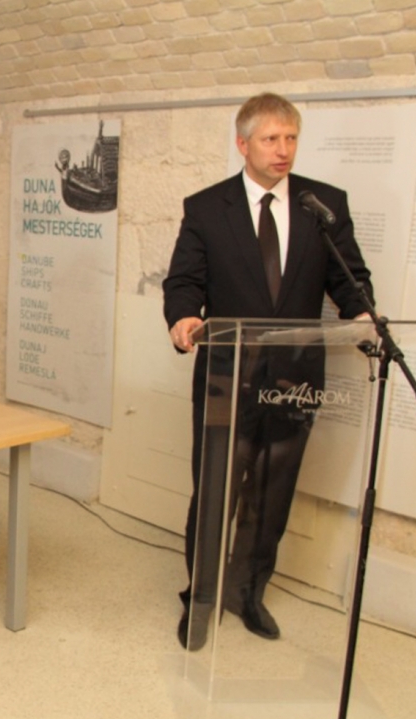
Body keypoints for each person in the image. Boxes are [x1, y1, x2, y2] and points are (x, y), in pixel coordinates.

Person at [162, 93, 374, 650]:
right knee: (216, 491)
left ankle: (248, 592)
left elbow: (349, 278)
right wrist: (183, 317)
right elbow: (184, 280)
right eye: (271, 139)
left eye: (291, 138)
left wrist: (362, 314)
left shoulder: (322, 205)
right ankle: (201, 597)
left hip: (295, 379)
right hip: (227, 375)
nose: (283, 150)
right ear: (243, 144)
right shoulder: (207, 208)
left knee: (272, 495)